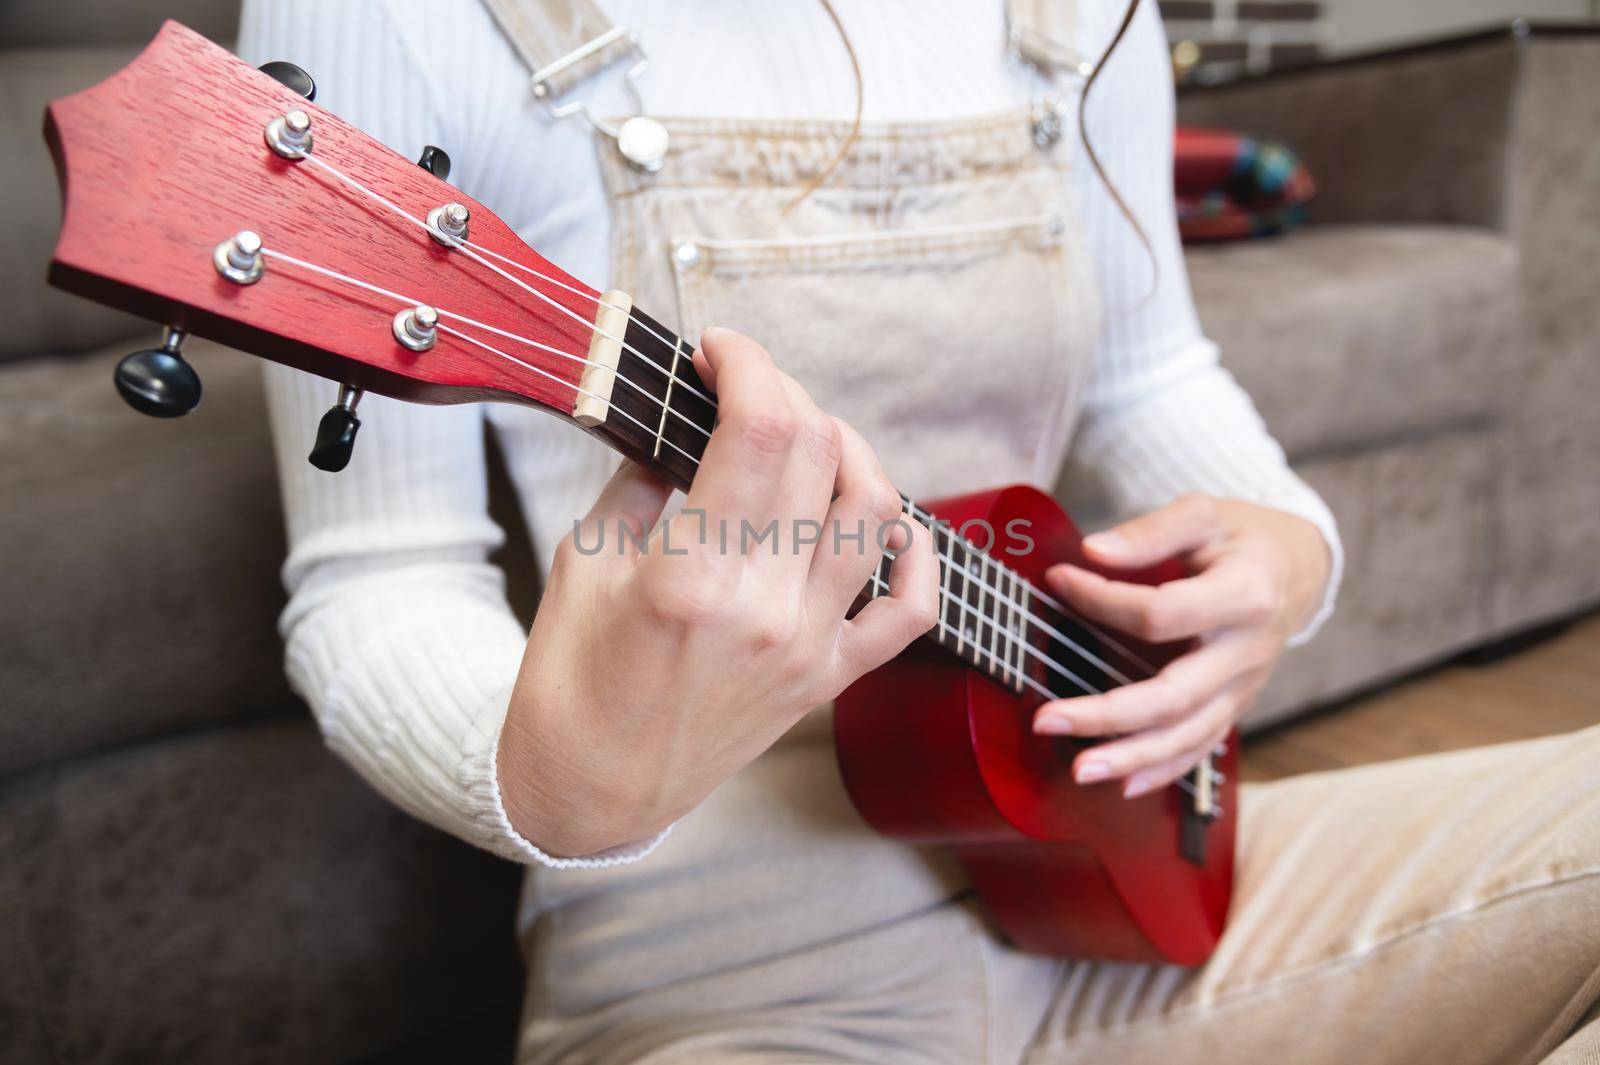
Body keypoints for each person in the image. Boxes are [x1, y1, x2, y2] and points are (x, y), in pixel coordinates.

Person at [238, 1, 1600, 1062]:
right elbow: (377, 574)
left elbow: (1149, 374)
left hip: (1117, 885)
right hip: (733, 973)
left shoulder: (1085, 18)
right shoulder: (397, 17)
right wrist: (554, 775)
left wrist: (1296, 547)